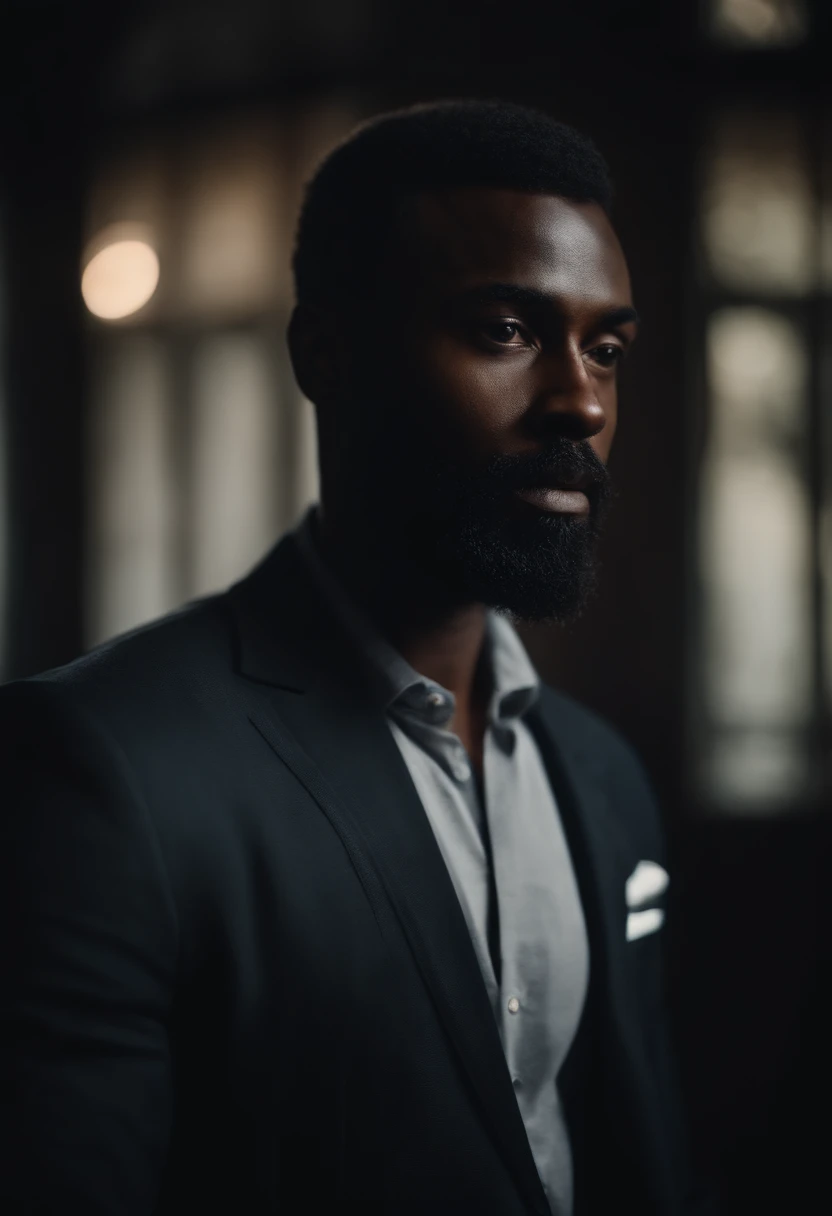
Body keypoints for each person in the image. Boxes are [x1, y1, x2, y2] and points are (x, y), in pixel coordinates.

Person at [0, 99, 707, 1215]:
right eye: (504, 331)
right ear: (325, 353)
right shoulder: (103, 771)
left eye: (604, 348)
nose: (579, 398)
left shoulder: (602, 777)